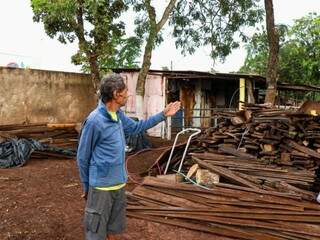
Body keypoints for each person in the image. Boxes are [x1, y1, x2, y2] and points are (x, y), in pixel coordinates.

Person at [77, 73, 181, 240]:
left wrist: (163, 114)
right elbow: (83, 157)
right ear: (116, 94)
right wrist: (86, 186)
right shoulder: (94, 121)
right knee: (96, 233)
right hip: (101, 188)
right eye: (125, 91)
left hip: (118, 184)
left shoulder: (118, 115)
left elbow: (137, 127)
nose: (128, 94)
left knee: (114, 229)